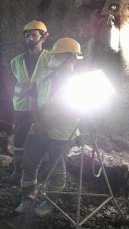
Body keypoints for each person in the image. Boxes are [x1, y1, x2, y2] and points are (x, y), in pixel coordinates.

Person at [15, 38, 82, 215]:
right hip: (38, 129)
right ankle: (26, 198)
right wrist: (37, 122)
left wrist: (46, 124)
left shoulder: (80, 83)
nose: (51, 59)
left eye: (57, 56)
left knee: (56, 168)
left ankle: (49, 202)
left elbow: (74, 111)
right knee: (28, 164)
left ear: (71, 58)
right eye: (52, 56)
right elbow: (32, 103)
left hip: (62, 133)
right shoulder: (43, 80)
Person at [0, 20, 51, 186]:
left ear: (43, 37)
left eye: (33, 35)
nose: (29, 38)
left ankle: (42, 174)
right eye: (27, 35)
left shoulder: (51, 59)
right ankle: (17, 172)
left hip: (43, 109)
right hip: (21, 107)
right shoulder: (16, 61)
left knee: (44, 139)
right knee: (19, 141)